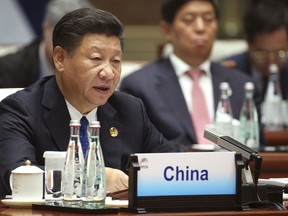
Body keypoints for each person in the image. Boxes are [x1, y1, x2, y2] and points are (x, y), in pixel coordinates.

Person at [0, 8, 178, 197]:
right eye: (96, 59)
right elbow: (19, 178)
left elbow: (172, 165)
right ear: (60, 58)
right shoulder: (20, 110)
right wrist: (91, 178)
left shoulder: (130, 109)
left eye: (116, 61)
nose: (109, 73)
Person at [120, 0, 262, 151]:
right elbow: (134, 149)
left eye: (208, 20)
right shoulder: (139, 86)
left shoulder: (242, 84)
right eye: (189, 20)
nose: (200, 28)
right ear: (167, 30)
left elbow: (257, 146)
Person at [0, 0, 93, 88]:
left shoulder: (93, 70)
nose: (74, 47)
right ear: (47, 28)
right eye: (68, 37)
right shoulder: (6, 71)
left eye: (81, 40)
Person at [221, 0, 288, 102]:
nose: (271, 63)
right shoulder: (229, 71)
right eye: (261, 54)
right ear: (248, 44)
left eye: (280, 53)